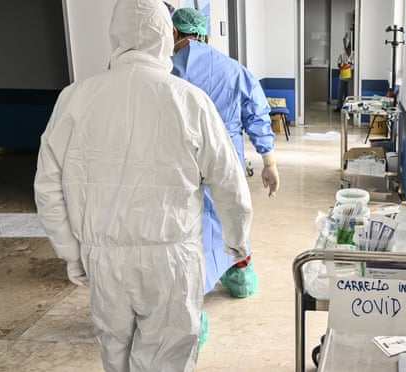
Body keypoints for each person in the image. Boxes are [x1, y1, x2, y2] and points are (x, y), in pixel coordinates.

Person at [33, 0, 253, 370]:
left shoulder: (73, 99)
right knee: (168, 355)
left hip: (104, 258)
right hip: (172, 258)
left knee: (114, 349)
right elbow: (229, 183)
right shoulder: (188, 100)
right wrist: (237, 239)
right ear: (166, 36)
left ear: (115, 36)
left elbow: (47, 187)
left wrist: (71, 251)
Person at [170, 7, 279, 302]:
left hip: (177, 161)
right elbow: (257, 115)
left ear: (175, 32)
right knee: (230, 213)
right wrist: (269, 162)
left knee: (185, 226)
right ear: (205, 34)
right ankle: (240, 275)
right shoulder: (233, 69)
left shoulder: (164, 71)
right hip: (226, 157)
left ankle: (191, 305)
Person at [333, 42, 354, 113]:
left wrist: (350, 66)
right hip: (343, 76)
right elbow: (338, 64)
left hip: (351, 78)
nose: (348, 50)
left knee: (348, 93)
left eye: (349, 49)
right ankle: (339, 107)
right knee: (340, 92)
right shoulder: (342, 54)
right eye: (347, 49)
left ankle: (349, 108)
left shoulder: (354, 54)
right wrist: (341, 67)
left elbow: (355, 65)